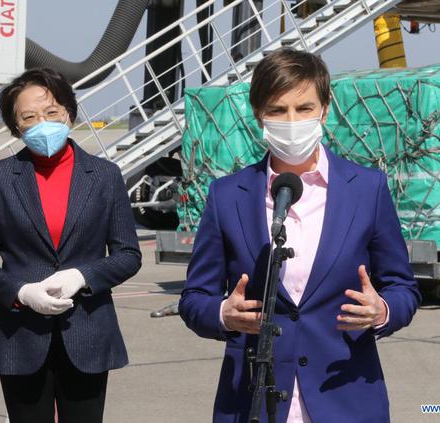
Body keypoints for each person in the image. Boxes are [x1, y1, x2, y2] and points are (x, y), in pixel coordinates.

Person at [179, 48, 421, 422]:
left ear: (325, 109)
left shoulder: (367, 189)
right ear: (259, 113)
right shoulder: (227, 195)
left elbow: (403, 288)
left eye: (304, 108)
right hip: (253, 402)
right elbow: (195, 298)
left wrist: (382, 310)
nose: (291, 121)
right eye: (277, 110)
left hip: (345, 399)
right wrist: (223, 314)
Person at [0, 68, 142, 423]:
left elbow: (128, 254)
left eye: (52, 112)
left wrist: (83, 275)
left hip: (88, 331)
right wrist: (21, 292)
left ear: (69, 114)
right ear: (16, 128)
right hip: (20, 332)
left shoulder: (104, 176)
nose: (42, 122)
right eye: (28, 117)